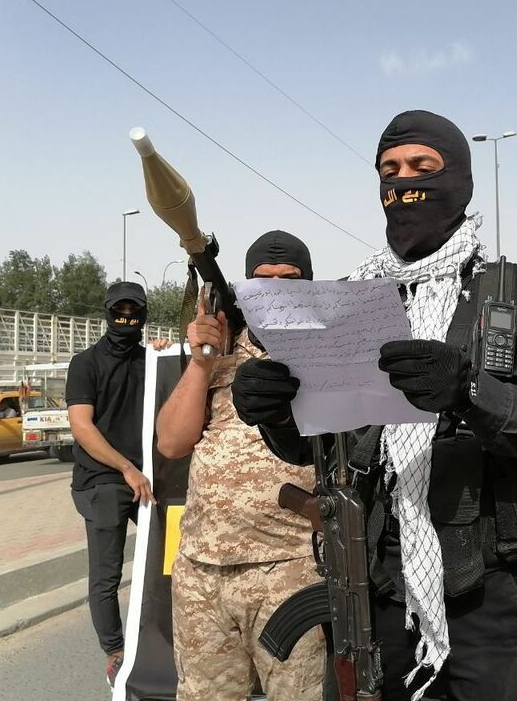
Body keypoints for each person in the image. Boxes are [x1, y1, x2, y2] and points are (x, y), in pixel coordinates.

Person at [231, 110, 517, 701]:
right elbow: (316, 443)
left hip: (482, 589)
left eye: (423, 167)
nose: (404, 183)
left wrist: (469, 391)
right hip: (372, 578)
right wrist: (273, 410)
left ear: (461, 180)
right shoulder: (352, 299)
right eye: (390, 171)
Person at [155, 231, 325, 701]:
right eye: (263, 279)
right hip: (202, 569)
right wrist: (201, 363)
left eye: (290, 279)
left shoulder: (325, 353)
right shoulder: (224, 345)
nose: (275, 288)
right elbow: (171, 442)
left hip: (291, 567)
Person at [67, 281, 169, 687]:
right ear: (108, 313)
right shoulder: (85, 363)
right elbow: (81, 426)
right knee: (107, 576)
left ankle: (166, 637)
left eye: (134, 311)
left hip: (147, 480)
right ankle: (116, 654)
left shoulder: (151, 360)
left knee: (172, 560)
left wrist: (167, 357)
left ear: (143, 315)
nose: (127, 317)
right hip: (103, 480)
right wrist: (126, 468)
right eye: (120, 310)